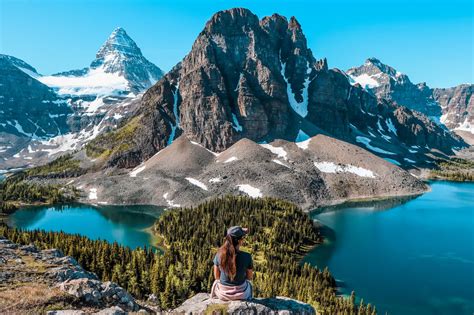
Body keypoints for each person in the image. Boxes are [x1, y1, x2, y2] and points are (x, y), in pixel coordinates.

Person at [210, 226, 254, 301]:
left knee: (217, 282)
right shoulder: (247, 256)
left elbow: (217, 277)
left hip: (223, 294)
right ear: (239, 241)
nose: (243, 239)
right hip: (242, 294)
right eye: (243, 237)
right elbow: (249, 277)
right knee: (249, 284)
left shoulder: (219, 254)